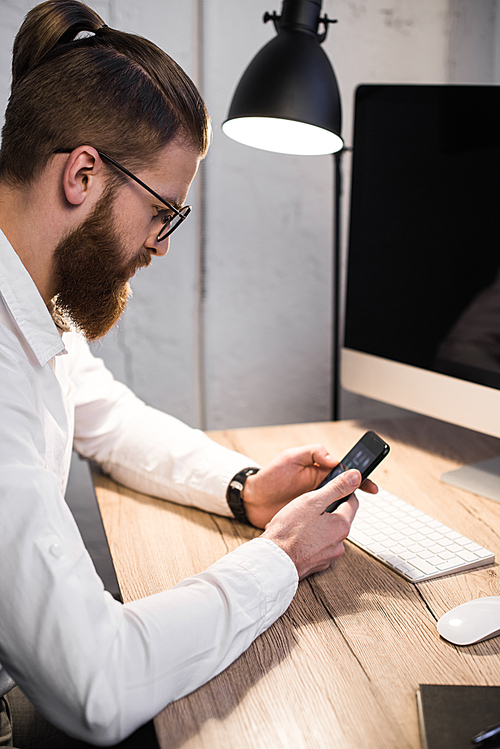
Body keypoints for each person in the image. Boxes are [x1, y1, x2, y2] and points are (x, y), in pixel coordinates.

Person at [0, 2, 376, 746]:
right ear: (82, 174)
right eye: (163, 211)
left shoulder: (29, 300)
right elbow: (98, 683)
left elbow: (107, 415)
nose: (161, 244)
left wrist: (244, 488)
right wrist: (280, 560)